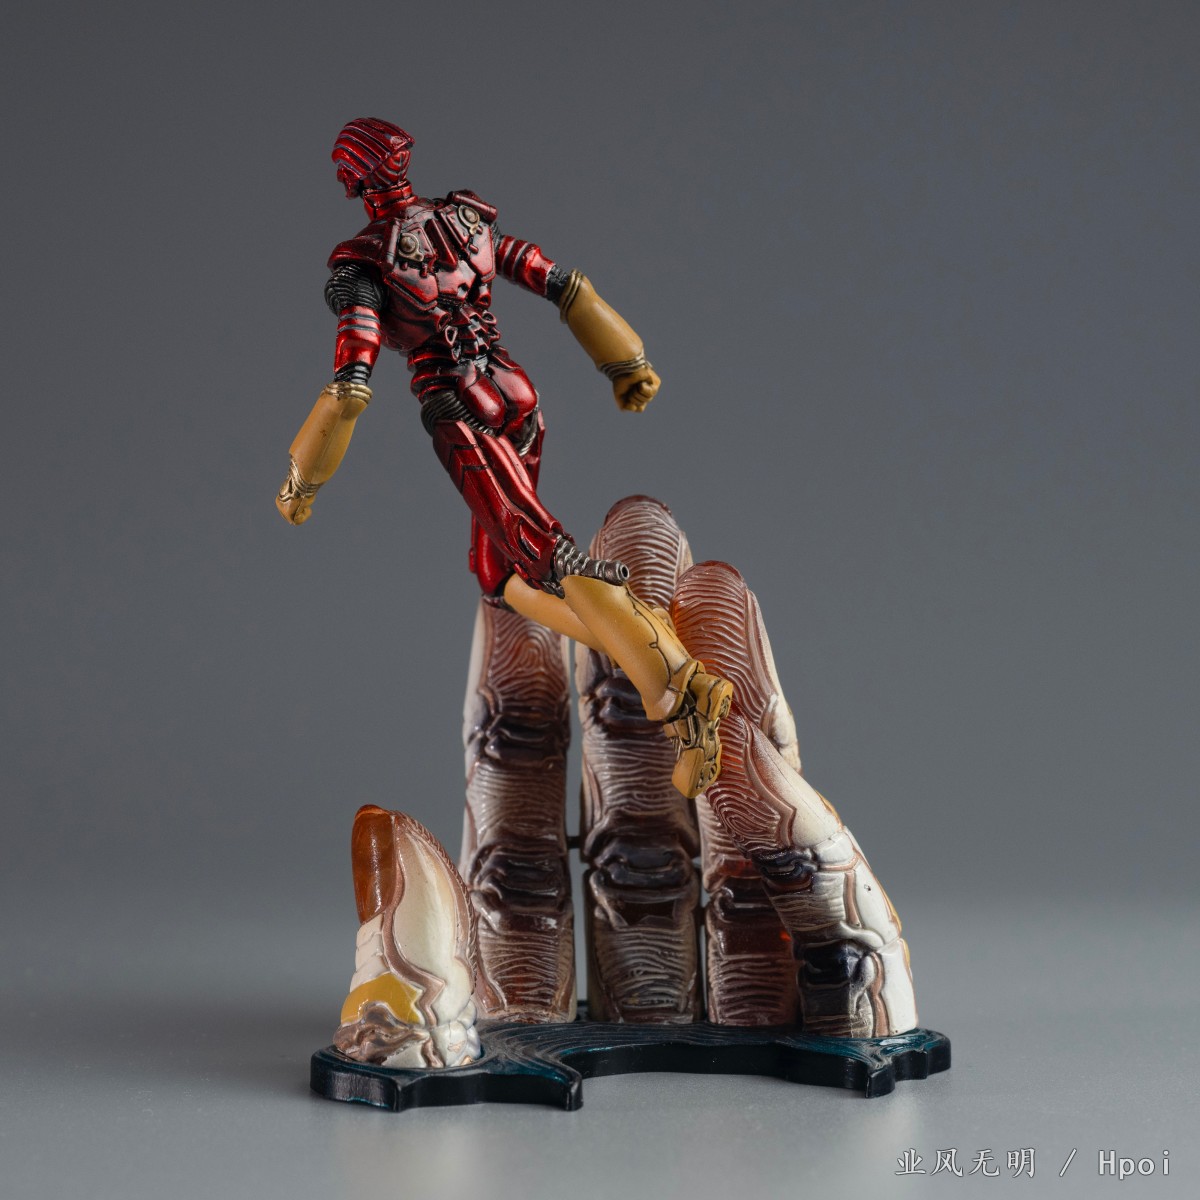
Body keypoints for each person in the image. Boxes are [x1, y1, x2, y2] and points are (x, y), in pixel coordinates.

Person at [275, 118, 730, 797]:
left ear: (352, 180)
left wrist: (301, 482)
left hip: (461, 412)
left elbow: (349, 388)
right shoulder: (467, 223)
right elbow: (564, 284)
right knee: (500, 575)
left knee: (547, 552)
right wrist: (626, 361)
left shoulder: (363, 265)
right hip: (518, 398)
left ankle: (678, 690)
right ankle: (640, 634)